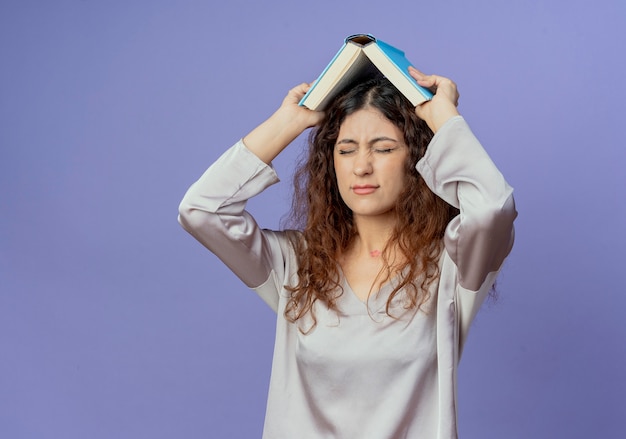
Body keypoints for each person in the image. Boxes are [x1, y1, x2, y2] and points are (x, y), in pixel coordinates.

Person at [178, 67, 517, 439]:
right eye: (346, 149)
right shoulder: (297, 263)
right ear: (330, 161)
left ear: (417, 160)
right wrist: (289, 122)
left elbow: (492, 210)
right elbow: (201, 211)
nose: (361, 166)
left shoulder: (453, 264)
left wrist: (444, 117)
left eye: (384, 148)